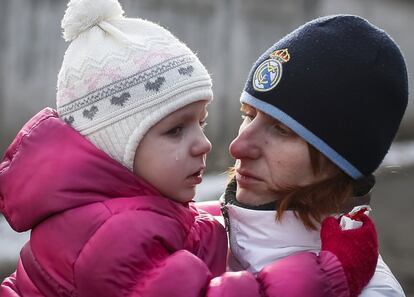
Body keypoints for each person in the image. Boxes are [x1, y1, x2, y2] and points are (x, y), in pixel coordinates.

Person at [0, 1, 378, 296]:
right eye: (175, 130)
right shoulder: (113, 233)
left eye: (202, 121)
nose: (211, 144)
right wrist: (333, 272)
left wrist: (221, 218)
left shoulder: (111, 215)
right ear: (115, 147)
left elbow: (177, 231)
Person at [202, 14, 407, 297]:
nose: (238, 146)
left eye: (282, 130)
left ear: (339, 163)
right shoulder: (188, 232)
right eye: (248, 116)